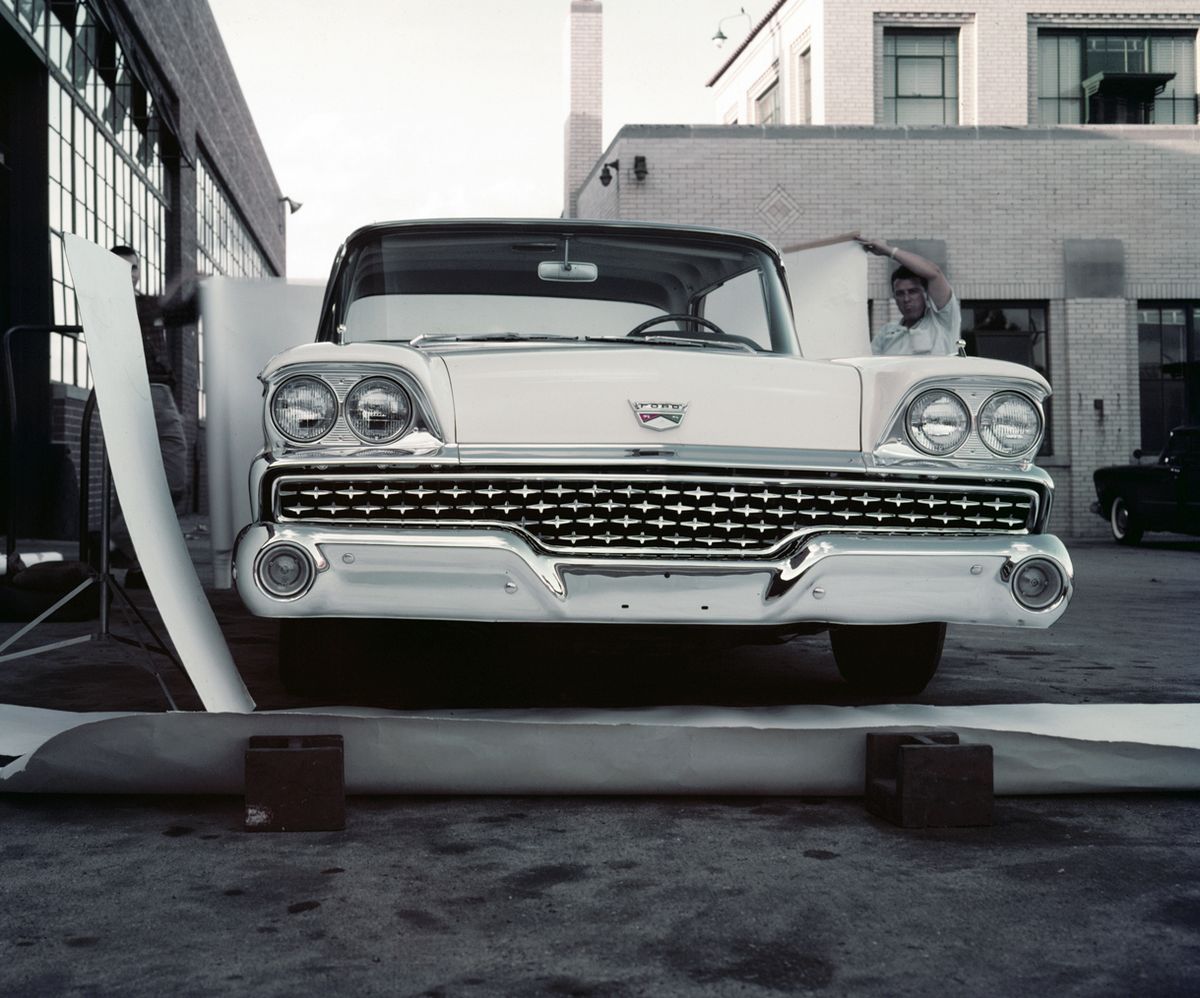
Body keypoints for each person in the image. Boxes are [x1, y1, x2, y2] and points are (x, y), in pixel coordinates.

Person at [106, 246, 198, 585]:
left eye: (135, 268)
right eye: (124, 268)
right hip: (133, 394)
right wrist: (184, 283)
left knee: (167, 479)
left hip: (159, 393)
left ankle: (129, 552)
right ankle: (131, 552)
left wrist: (198, 288)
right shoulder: (109, 302)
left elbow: (182, 313)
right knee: (152, 478)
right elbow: (167, 310)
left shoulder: (143, 305)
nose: (131, 274)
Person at [856, 236, 961, 356]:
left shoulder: (943, 321)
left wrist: (888, 251)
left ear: (925, 293)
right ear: (894, 298)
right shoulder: (886, 333)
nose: (906, 299)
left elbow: (934, 273)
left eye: (913, 291)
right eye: (900, 293)